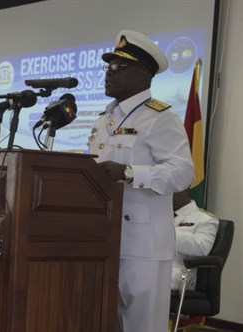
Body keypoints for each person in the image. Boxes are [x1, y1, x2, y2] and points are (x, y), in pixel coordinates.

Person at [87, 30, 194, 331]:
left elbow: (184, 172)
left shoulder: (160, 118)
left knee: (141, 326)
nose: (109, 73)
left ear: (143, 73)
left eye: (118, 66)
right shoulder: (102, 120)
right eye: (108, 66)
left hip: (143, 246)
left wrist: (130, 173)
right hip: (104, 240)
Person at [172, 188, 219, 290]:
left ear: (184, 188)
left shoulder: (205, 219)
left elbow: (201, 248)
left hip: (178, 272)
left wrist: (167, 235)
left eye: (170, 189)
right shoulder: (158, 217)